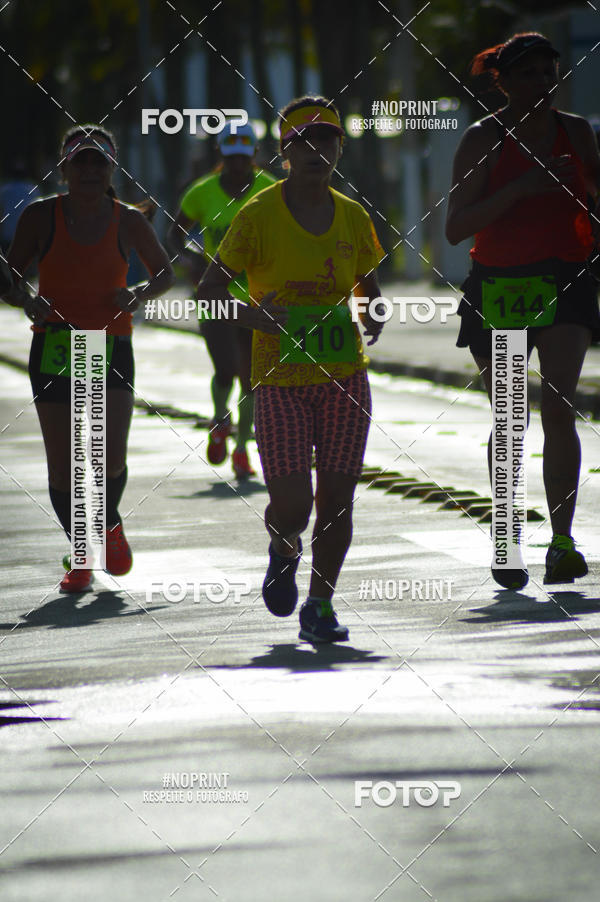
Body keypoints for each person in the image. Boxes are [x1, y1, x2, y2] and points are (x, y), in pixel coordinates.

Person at [198, 96, 385, 643]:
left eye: (326, 139)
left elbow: (368, 287)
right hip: (278, 381)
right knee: (293, 505)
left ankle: (321, 605)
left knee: (337, 502)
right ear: (284, 152)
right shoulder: (257, 215)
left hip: (345, 378)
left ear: (338, 150)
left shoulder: (353, 215)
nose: (315, 150)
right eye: (303, 141)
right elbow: (208, 293)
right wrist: (252, 315)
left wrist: (374, 312)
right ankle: (283, 548)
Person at [446, 33, 600, 589]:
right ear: (503, 81)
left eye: (549, 72)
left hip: (565, 278)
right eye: (529, 73)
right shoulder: (482, 139)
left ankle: (561, 542)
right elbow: (456, 225)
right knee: (511, 418)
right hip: (501, 286)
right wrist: (523, 188)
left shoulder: (576, 132)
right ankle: (507, 538)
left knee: (560, 407)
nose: (541, 82)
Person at [2, 125, 175, 593]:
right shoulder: (42, 216)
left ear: (111, 169)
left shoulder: (129, 220)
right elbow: (10, 277)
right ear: (64, 169)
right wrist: (26, 299)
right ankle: (82, 552)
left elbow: (165, 274)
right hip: (56, 344)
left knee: (108, 458)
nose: (89, 172)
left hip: (109, 344)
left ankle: (109, 523)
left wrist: (136, 295)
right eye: (80, 163)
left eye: (98, 163)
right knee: (63, 464)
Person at [168, 122, 276, 479]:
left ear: (254, 156)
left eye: (244, 158)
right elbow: (175, 234)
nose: (238, 165)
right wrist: (193, 258)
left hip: (259, 297)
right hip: (217, 296)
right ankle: (219, 420)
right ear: (222, 156)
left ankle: (243, 449)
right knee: (225, 369)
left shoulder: (270, 189)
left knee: (252, 380)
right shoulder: (202, 193)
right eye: (232, 158)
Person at [0, 159, 39, 255]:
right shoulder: (33, 189)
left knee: (7, 266)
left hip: (7, 234)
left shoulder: (5, 189)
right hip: (26, 236)